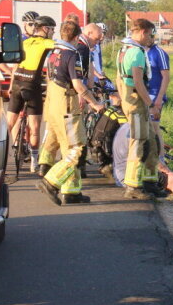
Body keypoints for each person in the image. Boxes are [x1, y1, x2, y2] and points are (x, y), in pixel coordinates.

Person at [37, 20, 104, 205]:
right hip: (67, 104)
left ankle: (71, 192)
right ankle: (51, 182)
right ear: (76, 37)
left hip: (53, 103)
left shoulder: (53, 52)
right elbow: (78, 85)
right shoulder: (71, 54)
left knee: (67, 147)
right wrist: (95, 103)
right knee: (77, 148)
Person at [6, 15, 56, 172]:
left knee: (8, 124)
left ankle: (0, 156)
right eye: (52, 29)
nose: (53, 33)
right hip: (31, 85)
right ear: (45, 29)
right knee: (35, 127)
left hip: (17, 84)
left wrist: (10, 85)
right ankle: (34, 161)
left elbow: (16, 66)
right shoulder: (48, 43)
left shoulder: (25, 42)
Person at [144, 34, 173, 198]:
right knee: (148, 130)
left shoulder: (160, 53)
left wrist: (159, 99)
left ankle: (161, 159)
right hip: (145, 96)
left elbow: (166, 77)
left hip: (155, 97)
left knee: (155, 129)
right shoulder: (141, 51)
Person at [115, 19, 158, 200]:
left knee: (151, 141)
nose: (151, 38)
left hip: (128, 99)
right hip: (137, 102)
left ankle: (150, 182)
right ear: (142, 32)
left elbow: (119, 78)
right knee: (139, 143)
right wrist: (151, 104)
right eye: (150, 34)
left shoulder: (123, 50)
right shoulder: (138, 53)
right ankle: (133, 186)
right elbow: (139, 82)